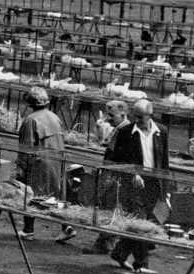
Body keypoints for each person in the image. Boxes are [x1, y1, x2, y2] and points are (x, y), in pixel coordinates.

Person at [104, 99, 171, 271]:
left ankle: (120, 252)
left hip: (153, 183)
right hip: (132, 184)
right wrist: (134, 172)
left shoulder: (161, 131)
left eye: (141, 118)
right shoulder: (126, 132)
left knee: (143, 222)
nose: (138, 121)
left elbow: (164, 162)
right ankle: (142, 265)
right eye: (136, 117)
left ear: (151, 116)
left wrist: (166, 189)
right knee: (141, 224)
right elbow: (119, 160)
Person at [17, 86, 75, 242]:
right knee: (56, 195)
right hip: (57, 161)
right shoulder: (54, 117)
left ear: (31, 104)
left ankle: (28, 230)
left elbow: (26, 147)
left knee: (30, 194)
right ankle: (67, 226)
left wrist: (21, 167)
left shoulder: (31, 120)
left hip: (39, 163)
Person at [88, 99, 129, 254]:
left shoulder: (124, 130)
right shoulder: (118, 128)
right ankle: (105, 241)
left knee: (112, 208)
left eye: (111, 115)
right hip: (112, 173)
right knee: (110, 207)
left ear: (123, 114)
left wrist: (110, 175)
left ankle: (106, 243)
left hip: (116, 176)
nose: (108, 118)